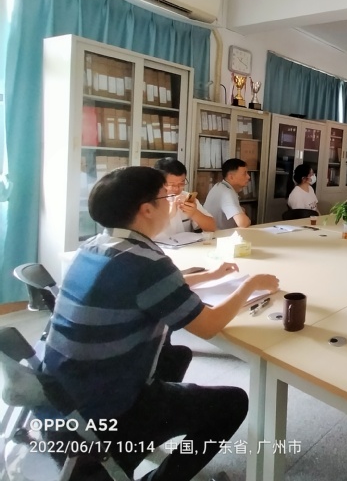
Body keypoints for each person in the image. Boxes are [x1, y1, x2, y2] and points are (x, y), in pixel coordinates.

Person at [41, 166, 279, 481]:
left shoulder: (96, 245)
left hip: (61, 397)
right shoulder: (147, 263)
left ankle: (141, 439)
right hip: (104, 409)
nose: (172, 203)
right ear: (146, 209)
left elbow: (148, 285)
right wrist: (249, 285)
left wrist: (211, 275)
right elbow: (208, 326)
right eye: (166, 197)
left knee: (175, 355)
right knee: (232, 403)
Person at [152, 157, 215, 243]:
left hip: (184, 247)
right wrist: (168, 215)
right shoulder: (147, 201)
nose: (177, 189)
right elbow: (142, 235)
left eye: (181, 184)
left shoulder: (186, 197)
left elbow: (212, 227)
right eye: (172, 184)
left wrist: (194, 213)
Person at [204, 158, 251, 229]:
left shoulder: (219, 186)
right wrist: (247, 219)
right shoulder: (227, 193)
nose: (248, 177)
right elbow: (243, 223)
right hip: (219, 234)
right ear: (231, 177)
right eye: (244, 174)